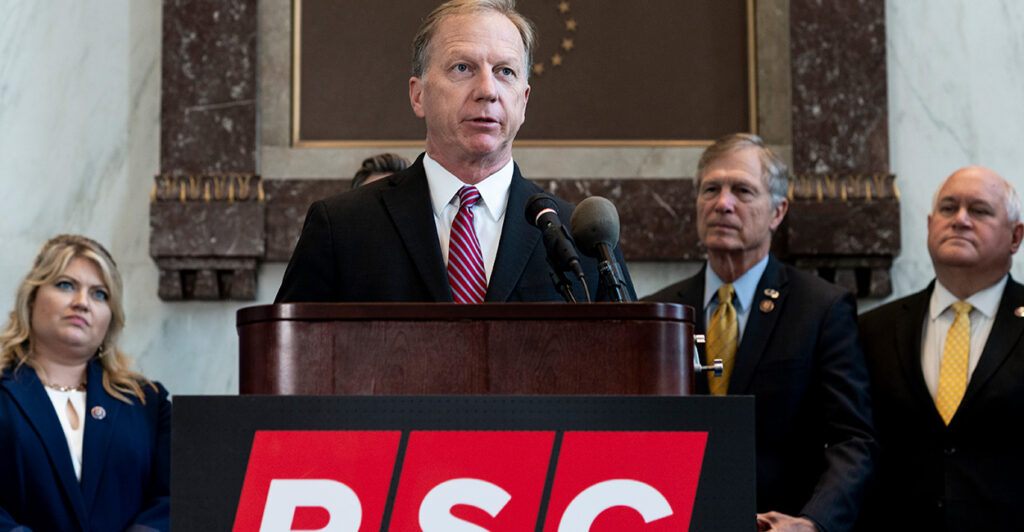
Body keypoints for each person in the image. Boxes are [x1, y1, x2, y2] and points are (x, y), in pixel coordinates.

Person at [276, 0, 634, 304]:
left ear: (523, 102)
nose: (487, 91)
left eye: (505, 71)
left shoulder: (585, 244)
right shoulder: (342, 228)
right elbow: (286, 364)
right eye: (463, 68)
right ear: (418, 95)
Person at [645, 133, 875, 532]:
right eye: (711, 189)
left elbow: (851, 440)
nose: (723, 203)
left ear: (777, 211)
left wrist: (813, 522)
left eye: (743, 191)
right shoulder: (659, 312)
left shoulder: (821, 308)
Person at [857, 167, 1024, 530]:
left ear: (1015, 237)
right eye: (948, 209)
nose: (960, 220)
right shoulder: (873, 329)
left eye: (979, 211)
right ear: (931, 225)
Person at [0, 235, 170, 531]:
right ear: (31, 298)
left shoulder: (147, 404)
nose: (82, 303)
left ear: (111, 318)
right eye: (66, 285)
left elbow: (175, 498)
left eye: (100, 294)